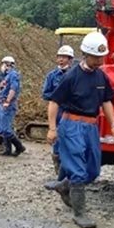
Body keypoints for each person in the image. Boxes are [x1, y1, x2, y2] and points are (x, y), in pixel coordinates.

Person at [46, 32, 114, 228]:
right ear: (86, 54)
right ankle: (79, 214)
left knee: (93, 170)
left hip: (91, 126)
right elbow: (54, 102)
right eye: (97, 57)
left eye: (102, 57)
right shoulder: (71, 76)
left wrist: (113, 124)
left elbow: (106, 101)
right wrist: (52, 128)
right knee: (78, 170)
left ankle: (64, 185)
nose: (100, 61)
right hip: (72, 125)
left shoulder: (101, 76)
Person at [42, 45, 74, 178]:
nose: (61, 60)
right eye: (59, 57)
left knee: (71, 141)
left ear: (70, 59)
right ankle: (59, 171)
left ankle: (69, 171)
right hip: (57, 111)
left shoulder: (75, 74)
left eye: (64, 57)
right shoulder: (52, 76)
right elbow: (45, 93)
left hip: (71, 112)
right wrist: (58, 97)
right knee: (57, 141)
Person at [0, 56, 26, 157]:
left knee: (6, 129)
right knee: (4, 127)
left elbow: (13, 89)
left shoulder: (13, 75)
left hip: (8, 104)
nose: (2, 66)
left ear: (8, 64)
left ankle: (19, 146)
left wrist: (8, 101)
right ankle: (7, 149)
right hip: (3, 102)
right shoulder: (7, 76)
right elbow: (4, 90)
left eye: (3, 64)